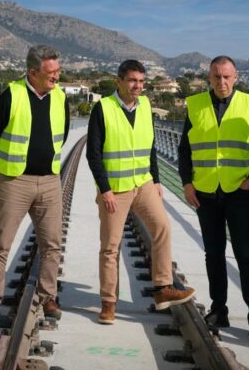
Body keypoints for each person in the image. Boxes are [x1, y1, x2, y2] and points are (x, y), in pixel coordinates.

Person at [86, 59, 195, 325]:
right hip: (116, 189)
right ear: (120, 81)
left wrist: (156, 180)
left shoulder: (145, 106)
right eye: (133, 81)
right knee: (110, 247)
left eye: (142, 82)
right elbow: (93, 154)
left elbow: (150, 147)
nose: (138, 86)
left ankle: (162, 288)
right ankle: (108, 303)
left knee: (162, 228)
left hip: (144, 183)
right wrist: (106, 189)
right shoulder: (103, 108)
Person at [178, 55, 249, 345]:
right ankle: (219, 309)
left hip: (239, 194)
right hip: (205, 193)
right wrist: (187, 183)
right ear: (209, 77)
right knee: (213, 255)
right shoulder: (195, 105)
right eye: (216, 77)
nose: (222, 82)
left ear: (236, 77)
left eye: (227, 77)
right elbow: (184, 150)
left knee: (246, 256)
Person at [0, 44, 70, 326]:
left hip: (50, 181)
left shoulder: (60, 98)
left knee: (52, 244)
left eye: (58, 70)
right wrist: (7, 167)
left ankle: (48, 297)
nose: (57, 76)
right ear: (32, 72)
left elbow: (62, 135)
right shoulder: (9, 97)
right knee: (1, 244)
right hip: (13, 182)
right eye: (51, 72)